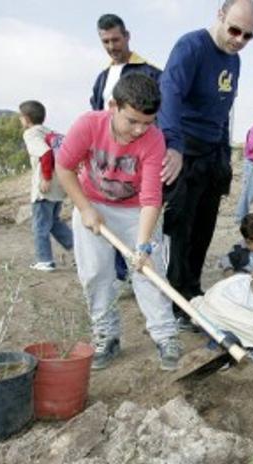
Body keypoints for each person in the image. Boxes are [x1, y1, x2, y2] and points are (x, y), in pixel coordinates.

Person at [55, 72, 182, 371]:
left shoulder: (153, 139)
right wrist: (84, 208)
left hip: (136, 210)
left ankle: (165, 336)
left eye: (147, 122)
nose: (139, 130)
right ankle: (106, 336)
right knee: (96, 273)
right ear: (113, 105)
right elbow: (64, 168)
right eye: (132, 120)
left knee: (150, 272)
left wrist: (143, 245)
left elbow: (151, 198)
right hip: (92, 204)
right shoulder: (88, 125)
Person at [158, 0, 253, 326]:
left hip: (213, 154)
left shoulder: (235, 61)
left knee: (204, 229)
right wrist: (172, 146)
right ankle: (176, 302)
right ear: (219, 15)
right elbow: (169, 93)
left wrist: (225, 156)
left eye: (248, 35)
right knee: (181, 231)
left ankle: (192, 291)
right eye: (234, 30)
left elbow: (223, 110)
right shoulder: (191, 47)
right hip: (183, 152)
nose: (239, 40)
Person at [92, 13, 162, 283]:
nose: (111, 46)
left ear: (127, 36)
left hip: (138, 163)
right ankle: (121, 274)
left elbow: (159, 120)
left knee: (139, 219)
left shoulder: (149, 73)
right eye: (105, 41)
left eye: (116, 39)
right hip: (107, 163)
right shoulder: (102, 78)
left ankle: (143, 273)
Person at [19, 100, 74, 272]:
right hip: (60, 185)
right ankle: (79, 249)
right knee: (54, 222)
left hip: (45, 187)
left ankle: (44, 260)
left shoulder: (31, 133)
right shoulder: (51, 132)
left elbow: (45, 153)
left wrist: (46, 178)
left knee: (40, 225)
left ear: (26, 118)